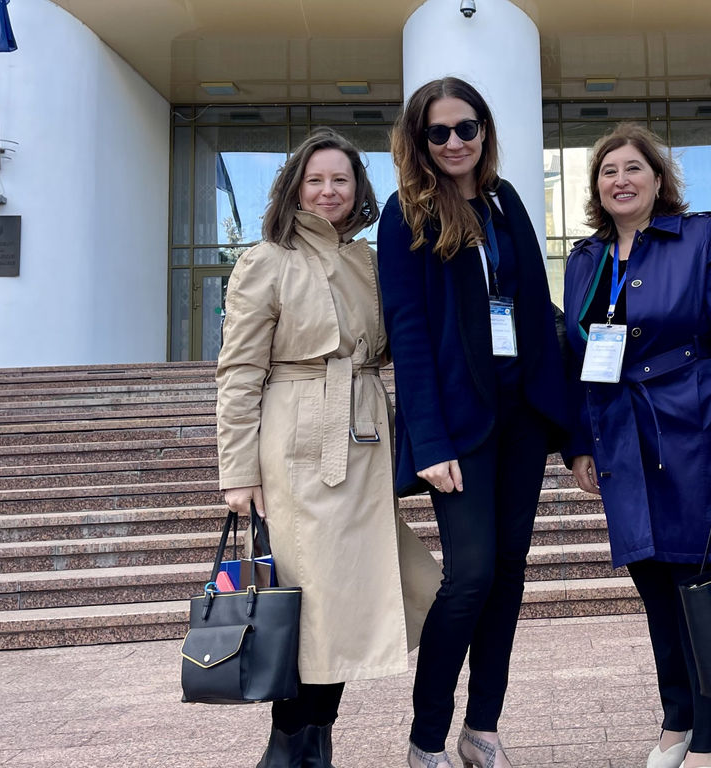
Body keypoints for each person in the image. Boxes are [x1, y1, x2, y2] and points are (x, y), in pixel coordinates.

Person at [216, 129, 441, 768]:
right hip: (296, 446)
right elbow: (238, 372)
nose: (328, 191)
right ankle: (293, 742)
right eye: (315, 179)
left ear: (357, 188)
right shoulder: (265, 260)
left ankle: (316, 736)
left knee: (353, 597)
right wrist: (238, 469)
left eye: (340, 179)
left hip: (364, 440)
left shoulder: (372, 262)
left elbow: (407, 340)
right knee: (309, 600)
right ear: (294, 187)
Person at [378, 76, 571, 768]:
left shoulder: (503, 198)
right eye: (440, 131)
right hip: (457, 428)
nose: (455, 141)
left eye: (467, 128)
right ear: (420, 141)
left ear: (484, 132)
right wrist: (426, 439)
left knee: (510, 571)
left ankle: (482, 727)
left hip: (520, 417)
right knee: (470, 576)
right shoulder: (406, 214)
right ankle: (428, 735)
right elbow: (408, 332)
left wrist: (569, 430)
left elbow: (536, 313)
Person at [562, 123, 711, 768]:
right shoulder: (586, 259)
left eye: (633, 169)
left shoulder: (698, 236)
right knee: (654, 581)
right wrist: (579, 444)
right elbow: (576, 360)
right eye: (608, 172)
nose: (620, 180)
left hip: (696, 427)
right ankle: (677, 718)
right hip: (621, 434)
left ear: (657, 179)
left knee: (700, 580)